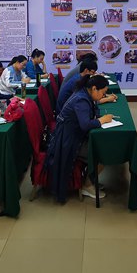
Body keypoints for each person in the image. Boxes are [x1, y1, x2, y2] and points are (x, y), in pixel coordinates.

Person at [44, 74, 114, 202]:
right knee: (103, 154)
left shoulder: (84, 93)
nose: (103, 96)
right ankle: (87, 185)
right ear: (94, 88)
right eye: (103, 93)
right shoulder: (81, 99)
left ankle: (90, 179)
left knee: (101, 147)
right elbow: (85, 125)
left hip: (73, 134)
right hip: (67, 140)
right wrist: (102, 120)